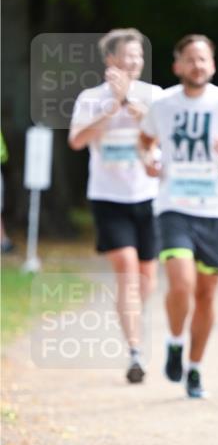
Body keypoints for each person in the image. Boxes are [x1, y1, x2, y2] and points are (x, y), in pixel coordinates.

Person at [139, 34, 218, 399]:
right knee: (180, 283)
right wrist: (149, 160)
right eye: (190, 59)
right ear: (177, 66)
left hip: (215, 208)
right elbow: (145, 139)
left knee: (206, 294)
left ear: (213, 65)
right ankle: (175, 340)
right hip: (173, 205)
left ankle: (194, 368)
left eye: (204, 59)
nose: (198, 65)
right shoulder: (163, 103)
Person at [68, 28, 162, 383]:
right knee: (126, 269)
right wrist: (111, 108)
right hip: (108, 196)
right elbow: (76, 140)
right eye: (128, 55)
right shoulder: (91, 98)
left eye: (139, 55)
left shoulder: (153, 95)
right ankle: (135, 351)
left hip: (147, 195)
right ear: (111, 59)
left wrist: (134, 109)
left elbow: (164, 136)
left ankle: (133, 312)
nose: (135, 61)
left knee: (146, 277)